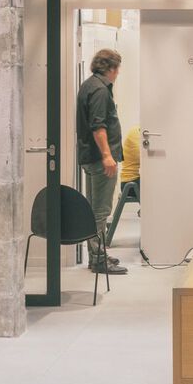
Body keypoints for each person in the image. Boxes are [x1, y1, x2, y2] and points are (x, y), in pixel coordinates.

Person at [76, 48, 126, 275]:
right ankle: (97, 259)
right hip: (100, 160)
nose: (118, 73)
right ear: (111, 68)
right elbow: (98, 126)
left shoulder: (89, 85)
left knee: (94, 208)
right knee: (100, 210)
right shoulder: (100, 91)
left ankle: (97, 254)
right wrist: (107, 156)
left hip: (91, 157)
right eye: (117, 69)